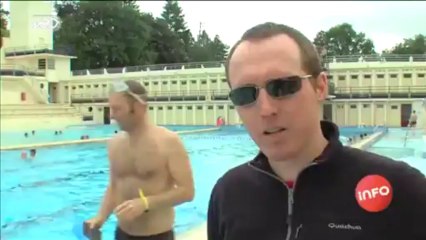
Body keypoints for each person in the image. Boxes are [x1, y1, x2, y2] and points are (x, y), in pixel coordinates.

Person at [207, 22, 426, 240]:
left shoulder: (403, 190)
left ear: (320, 87)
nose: (266, 110)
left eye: (282, 86)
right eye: (245, 94)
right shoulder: (227, 194)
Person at [86, 80, 195, 240]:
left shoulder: (168, 142)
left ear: (138, 108)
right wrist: (100, 218)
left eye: (117, 109)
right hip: (122, 234)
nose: (111, 115)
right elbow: (114, 186)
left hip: (157, 235)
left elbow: (187, 191)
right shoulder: (114, 144)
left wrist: (146, 203)